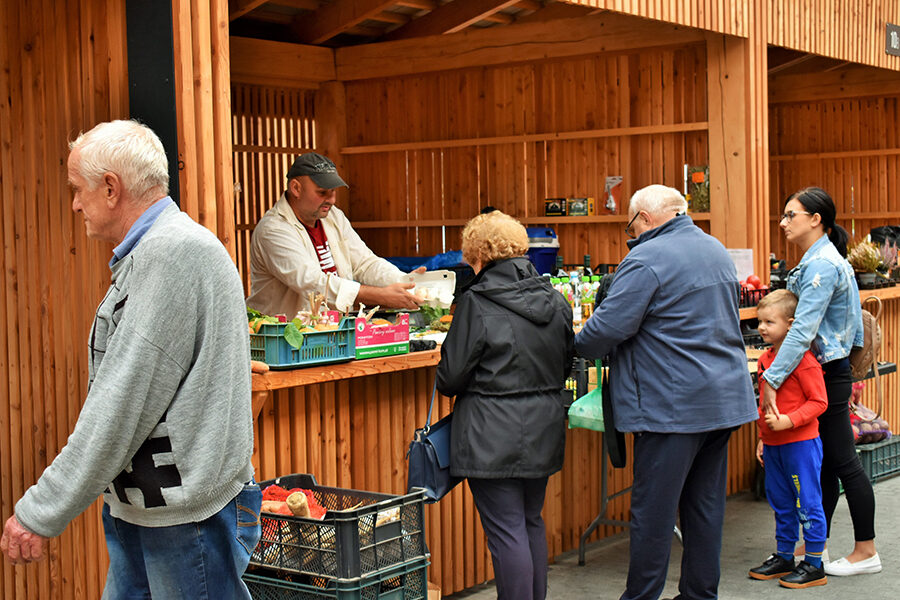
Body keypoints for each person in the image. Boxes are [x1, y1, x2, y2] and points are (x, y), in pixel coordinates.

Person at [0, 120, 260, 598]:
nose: (76, 203)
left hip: (184, 520)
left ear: (111, 188)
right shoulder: (155, 251)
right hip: (146, 507)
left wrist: (41, 509)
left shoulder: (172, 254)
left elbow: (119, 407)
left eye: (78, 189)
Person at [574, 184, 757, 600]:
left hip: (672, 406)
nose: (629, 235)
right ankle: (699, 594)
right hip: (722, 402)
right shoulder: (714, 249)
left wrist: (573, 343)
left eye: (630, 226)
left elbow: (606, 330)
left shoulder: (646, 258)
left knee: (653, 515)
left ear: (646, 219)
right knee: (704, 509)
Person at [436, 211, 574, 600]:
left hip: (489, 434)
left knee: (506, 530)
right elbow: (565, 362)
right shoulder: (556, 300)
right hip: (544, 426)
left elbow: (450, 378)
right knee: (530, 521)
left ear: (478, 255)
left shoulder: (476, 303)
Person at [760, 186, 880, 576]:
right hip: (826, 370)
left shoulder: (822, 265)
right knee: (827, 462)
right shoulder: (817, 261)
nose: (783, 223)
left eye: (790, 215)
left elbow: (802, 329)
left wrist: (772, 378)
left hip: (825, 373)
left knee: (843, 461)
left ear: (816, 219)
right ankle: (819, 546)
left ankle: (866, 550)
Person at [247, 152, 422, 317]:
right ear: (296, 188)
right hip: (282, 339)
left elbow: (364, 263)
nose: (331, 200)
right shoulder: (273, 230)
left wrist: (407, 283)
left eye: (333, 192)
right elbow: (313, 283)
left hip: (328, 333)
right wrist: (380, 296)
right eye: (322, 192)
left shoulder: (333, 216)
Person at [749, 290, 828, 588]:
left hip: (800, 446)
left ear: (791, 324)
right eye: (760, 321)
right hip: (773, 446)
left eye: (769, 321)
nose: (762, 328)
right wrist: (762, 437)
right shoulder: (766, 359)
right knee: (780, 501)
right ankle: (784, 557)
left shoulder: (805, 361)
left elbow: (819, 401)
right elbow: (764, 404)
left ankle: (814, 563)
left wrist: (789, 421)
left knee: (807, 503)